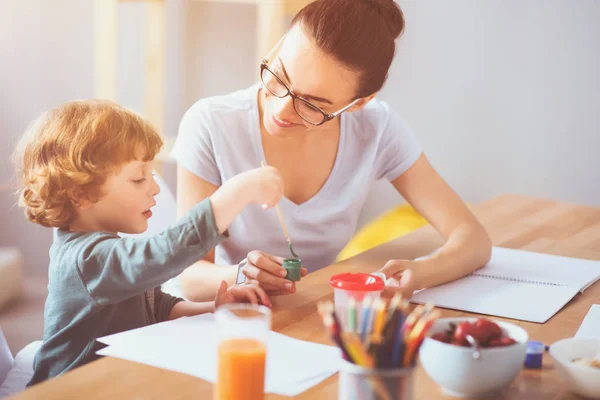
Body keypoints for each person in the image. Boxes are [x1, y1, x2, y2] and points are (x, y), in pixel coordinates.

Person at [171, 0, 492, 302]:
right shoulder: (212, 124)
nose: (282, 110)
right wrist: (240, 275)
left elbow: (473, 240)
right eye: (280, 76)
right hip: (231, 322)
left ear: (359, 103)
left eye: (312, 105)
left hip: (313, 314)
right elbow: (188, 276)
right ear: (279, 44)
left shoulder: (376, 130)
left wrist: (420, 272)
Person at [14, 99, 282, 385]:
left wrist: (213, 308)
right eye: (139, 178)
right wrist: (236, 193)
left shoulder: (109, 251)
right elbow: (163, 254)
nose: (154, 188)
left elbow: (153, 309)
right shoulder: (86, 259)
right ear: (80, 193)